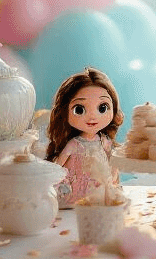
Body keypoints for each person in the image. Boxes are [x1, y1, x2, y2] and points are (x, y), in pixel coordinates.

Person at [45, 67, 123, 208]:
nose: (92, 116)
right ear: (65, 111)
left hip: (98, 191)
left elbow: (113, 162)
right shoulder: (74, 144)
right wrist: (47, 181)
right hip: (75, 192)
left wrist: (112, 180)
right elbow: (58, 166)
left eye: (102, 108)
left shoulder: (104, 141)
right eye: (79, 109)